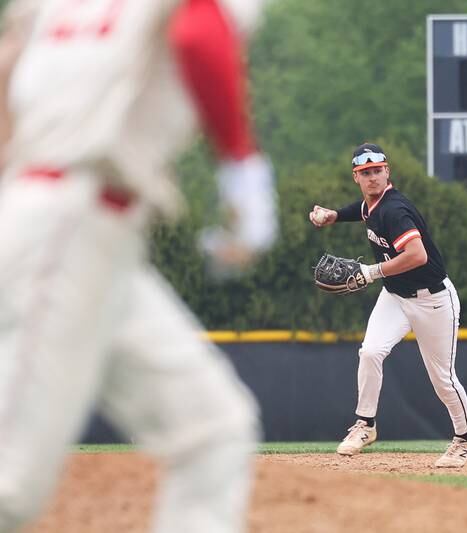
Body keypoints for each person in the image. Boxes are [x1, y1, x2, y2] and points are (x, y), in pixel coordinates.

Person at [0, 0, 276, 532]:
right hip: (68, 227)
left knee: (212, 429)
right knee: (10, 488)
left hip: (73, 226)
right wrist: (241, 167)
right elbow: (200, 30)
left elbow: (8, 62)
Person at [309, 143, 467, 468]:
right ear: (356, 177)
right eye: (365, 173)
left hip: (433, 301)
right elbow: (361, 210)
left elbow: (418, 255)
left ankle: (465, 438)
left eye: (377, 171)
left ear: (387, 172)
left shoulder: (395, 210)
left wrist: (371, 272)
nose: (372, 178)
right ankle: (366, 424)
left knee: (442, 379)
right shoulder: (374, 205)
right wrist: (334, 216)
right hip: (396, 296)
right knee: (371, 351)